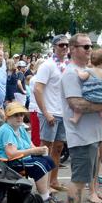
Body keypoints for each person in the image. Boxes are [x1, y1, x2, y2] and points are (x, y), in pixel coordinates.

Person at [60, 33, 102, 203]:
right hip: (80, 135)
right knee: (79, 180)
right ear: (73, 49)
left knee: (81, 179)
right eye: (85, 47)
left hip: (91, 135)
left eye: (90, 46)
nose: (89, 49)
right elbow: (76, 103)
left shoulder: (87, 71)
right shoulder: (71, 74)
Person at [0, 103, 59, 203]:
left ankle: (45, 192)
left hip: (20, 159)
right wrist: (34, 150)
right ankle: (44, 199)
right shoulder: (7, 130)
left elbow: (31, 146)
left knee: (48, 160)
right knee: (39, 164)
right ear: (8, 117)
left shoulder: (20, 128)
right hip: (8, 163)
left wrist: (40, 150)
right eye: (16, 115)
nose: (20, 117)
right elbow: (11, 154)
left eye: (21, 115)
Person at [33, 34, 69, 193]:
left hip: (63, 113)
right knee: (45, 148)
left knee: (59, 148)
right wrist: (45, 112)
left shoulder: (67, 65)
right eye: (61, 45)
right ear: (54, 47)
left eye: (67, 45)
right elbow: (37, 89)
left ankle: (53, 181)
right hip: (50, 112)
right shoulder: (47, 65)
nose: (65, 48)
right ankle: (43, 185)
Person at [70, 49, 102, 127]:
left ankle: (75, 119)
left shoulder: (89, 71)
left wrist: (78, 72)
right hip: (101, 97)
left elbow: (82, 77)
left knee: (79, 108)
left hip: (89, 96)